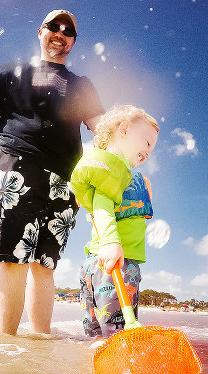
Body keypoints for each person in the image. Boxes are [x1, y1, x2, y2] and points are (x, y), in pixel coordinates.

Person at [0, 9, 104, 336]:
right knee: (12, 260)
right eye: (54, 26)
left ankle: (40, 341)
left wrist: (125, 167)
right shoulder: (10, 73)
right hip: (15, 167)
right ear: (41, 31)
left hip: (66, 181)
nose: (60, 32)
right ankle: (6, 346)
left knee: (45, 265)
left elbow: (101, 129)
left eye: (68, 30)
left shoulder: (82, 86)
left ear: (73, 41)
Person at [71, 104, 159, 338]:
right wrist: (111, 242)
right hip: (116, 263)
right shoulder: (111, 168)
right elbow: (102, 205)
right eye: (147, 143)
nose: (149, 152)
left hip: (94, 263)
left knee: (98, 335)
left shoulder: (129, 176)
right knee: (118, 336)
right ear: (124, 129)